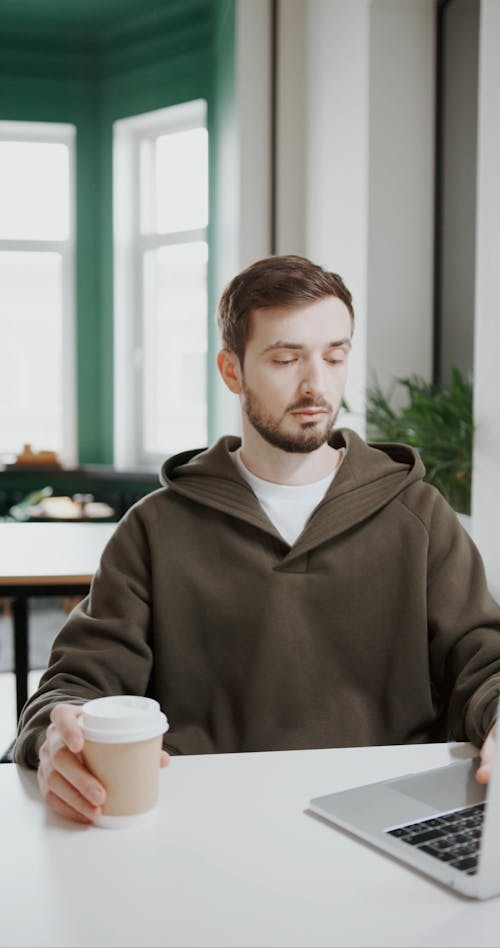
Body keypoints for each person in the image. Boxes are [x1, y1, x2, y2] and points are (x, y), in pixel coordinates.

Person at [14, 254, 500, 825]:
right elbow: (74, 686)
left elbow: (484, 664)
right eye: (286, 358)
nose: (316, 383)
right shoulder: (155, 529)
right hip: (204, 826)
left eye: (334, 356)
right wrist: (56, 733)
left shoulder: (419, 516)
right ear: (232, 370)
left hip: (390, 818)